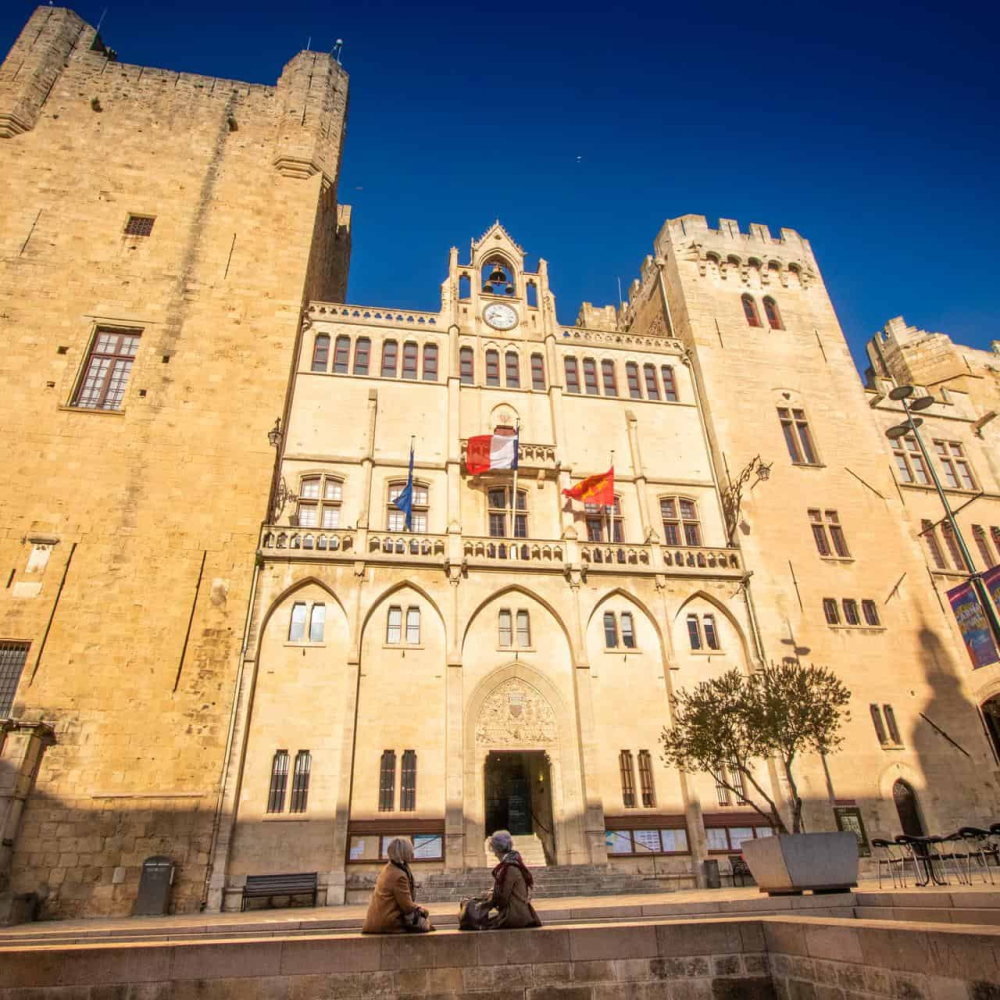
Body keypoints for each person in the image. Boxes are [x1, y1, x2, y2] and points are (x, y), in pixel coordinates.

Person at [461, 830, 542, 930]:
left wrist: (489, 897)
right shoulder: (513, 863)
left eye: (493, 848)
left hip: (514, 916)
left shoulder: (509, 868)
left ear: (497, 849)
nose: (494, 853)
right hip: (518, 913)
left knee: (476, 924)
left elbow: (502, 900)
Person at [361, 837, 433, 933]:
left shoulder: (389, 868)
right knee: (427, 927)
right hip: (389, 923)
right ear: (404, 853)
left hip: (376, 922)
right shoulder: (399, 876)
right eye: (410, 851)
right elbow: (407, 907)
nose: (413, 853)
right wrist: (424, 911)